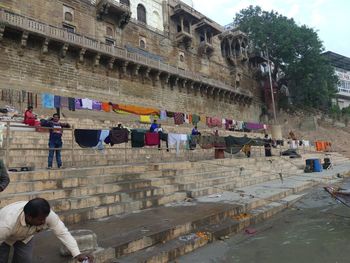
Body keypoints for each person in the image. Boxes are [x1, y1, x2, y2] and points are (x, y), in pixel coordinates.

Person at [0, 198, 93, 263]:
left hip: (25, 237)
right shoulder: (6, 224)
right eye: (40, 220)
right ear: (29, 217)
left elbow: (62, 232)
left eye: (45, 218)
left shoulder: (47, 215)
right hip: (4, 237)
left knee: (24, 260)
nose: (44, 222)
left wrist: (77, 254)